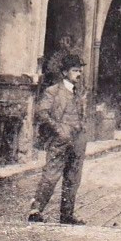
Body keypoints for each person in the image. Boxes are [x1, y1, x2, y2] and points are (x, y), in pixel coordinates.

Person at [29, 57, 90, 225]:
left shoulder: (80, 92)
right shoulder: (53, 91)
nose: (79, 74)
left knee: (73, 178)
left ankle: (67, 214)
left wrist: (83, 129)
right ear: (65, 73)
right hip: (60, 140)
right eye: (75, 70)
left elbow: (82, 114)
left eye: (80, 71)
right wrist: (59, 130)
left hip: (77, 140)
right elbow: (42, 112)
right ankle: (35, 211)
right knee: (51, 176)